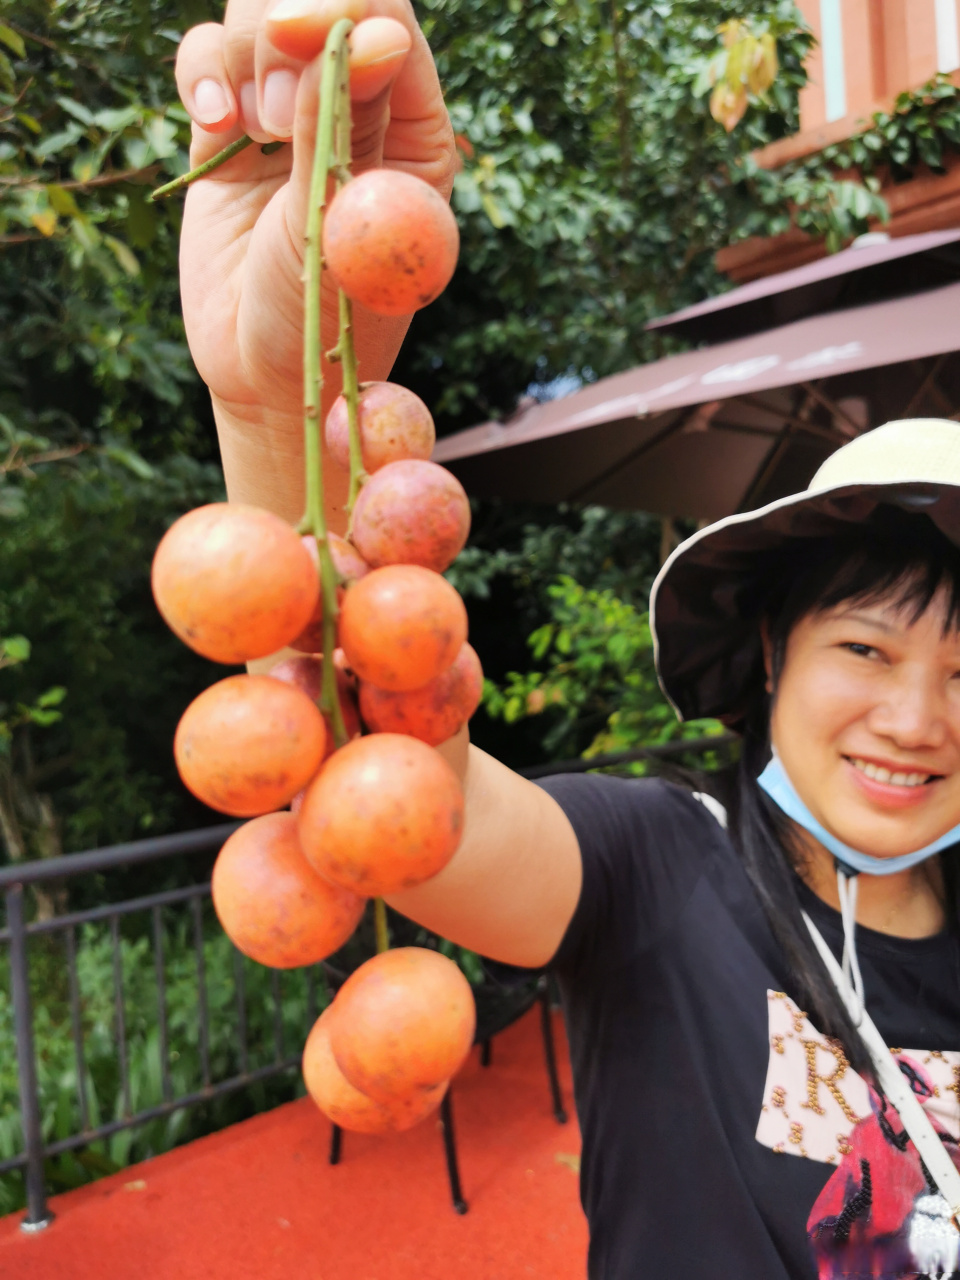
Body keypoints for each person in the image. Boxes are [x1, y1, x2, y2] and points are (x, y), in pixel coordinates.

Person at [174, 4, 960, 1277]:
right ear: (770, 653)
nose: (919, 717)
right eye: (867, 650)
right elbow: (378, 790)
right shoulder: (660, 864)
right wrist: (277, 407)